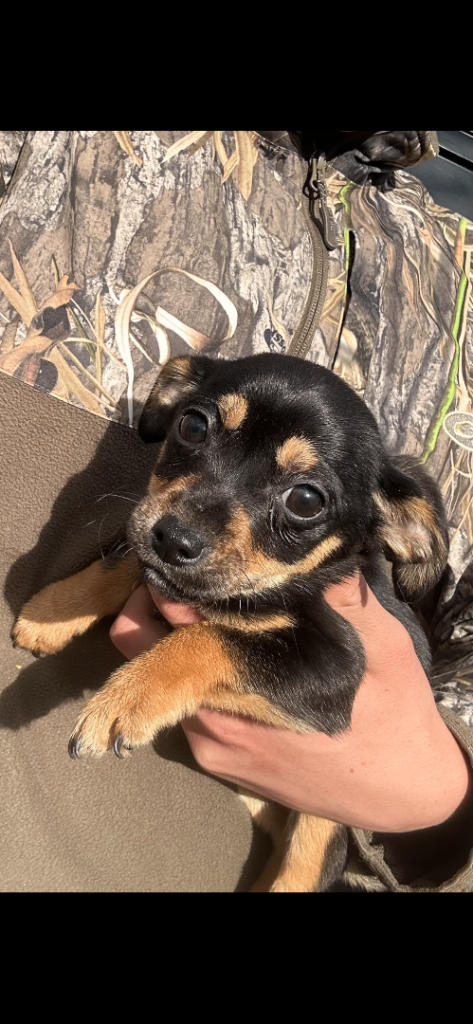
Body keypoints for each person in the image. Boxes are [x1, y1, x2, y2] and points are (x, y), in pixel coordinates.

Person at [0, 131, 471, 892]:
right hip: (38, 849)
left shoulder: (457, 265)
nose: (193, 517)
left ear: (401, 530)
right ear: (175, 394)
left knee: (308, 848)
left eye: (303, 500)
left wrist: (444, 799)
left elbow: (361, 665)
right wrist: (98, 585)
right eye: (196, 429)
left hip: (329, 845)